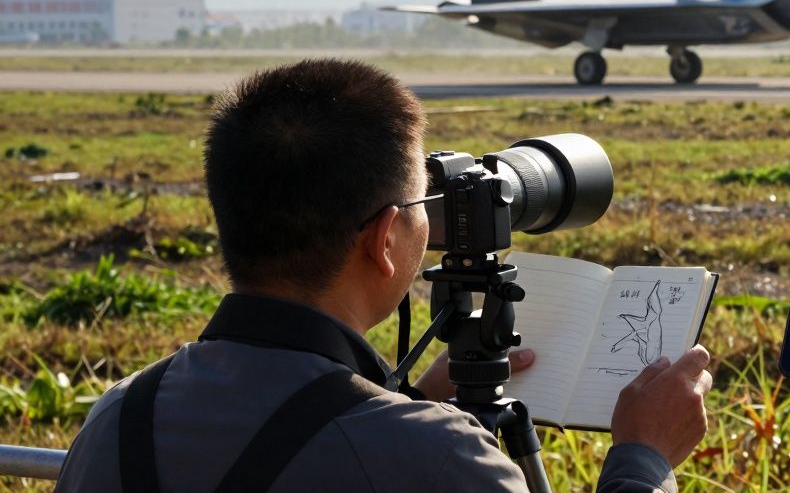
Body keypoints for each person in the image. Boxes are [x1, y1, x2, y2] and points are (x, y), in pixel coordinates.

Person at [56, 59, 713, 492]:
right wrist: (643, 460)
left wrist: (407, 403)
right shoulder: (436, 460)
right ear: (382, 240)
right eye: (424, 206)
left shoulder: (115, 420)